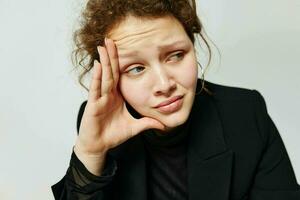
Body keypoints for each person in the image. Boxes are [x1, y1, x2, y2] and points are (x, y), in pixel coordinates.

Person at [52, 0, 300, 199]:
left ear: (193, 46)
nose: (164, 85)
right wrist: (90, 153)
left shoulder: (244, 112)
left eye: (176, 55)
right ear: (111, 77)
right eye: (136, 68)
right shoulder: (100, 121)